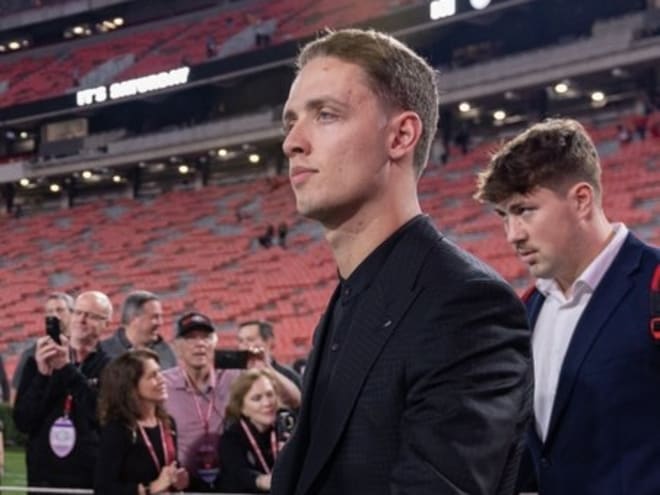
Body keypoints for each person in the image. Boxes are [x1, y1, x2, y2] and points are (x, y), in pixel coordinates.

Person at [273, 28, 532, 495]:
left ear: (401, 135)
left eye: (325, 115)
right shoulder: (351, 295)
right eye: (289, 122)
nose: (292, 141)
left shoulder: (468, 305)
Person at [475, 117, 660, 495]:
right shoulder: (525, 313)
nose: (513, 235)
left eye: (525, 210)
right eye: (503, 216)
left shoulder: (654, 287)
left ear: (581, 200)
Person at [14, 290, 112, 489]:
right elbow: (23, 421)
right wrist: (42, 375)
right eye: (78, 312)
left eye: (92, 316)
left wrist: (66, 369)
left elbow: (104, 416)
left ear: (106, 324)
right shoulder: (37, 361)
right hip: (43, 481)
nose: (82, 320)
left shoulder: (113, 368)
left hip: (89, 481)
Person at [163, 312, 240, 492]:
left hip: (230, 480)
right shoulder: (162, 384)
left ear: (215, 342)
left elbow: (293, 400)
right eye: (190, 338)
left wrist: (264, 367)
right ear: (175, 346)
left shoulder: (234, 378)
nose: (199, 343)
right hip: (184, 484)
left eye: (205, 337)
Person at [95, 349, 188, 495]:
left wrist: (178, 481)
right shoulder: (118, 429)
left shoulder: (167, 423)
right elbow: (104, 489)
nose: (162, 379)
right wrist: (149, 489)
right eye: (153, 375)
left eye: (160, 372)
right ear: (131, 386)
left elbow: (167, 472)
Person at [218, 369, 281, 493]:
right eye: (257, 398)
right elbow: (239, 473)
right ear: (242, 408)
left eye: (270, 394)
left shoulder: (287, 428)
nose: (267, 403)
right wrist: (261, 480)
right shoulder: (232, 438)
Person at [12, 292, 75, 402]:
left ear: (72, 314)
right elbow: (16, 397)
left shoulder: (81, 350)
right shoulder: (31, 354)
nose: (55, 315)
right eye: (50, 312)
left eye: (60, 310)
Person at [100, 290, 176, 369]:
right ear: (134, 319)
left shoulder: (164, 350)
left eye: (160, 316)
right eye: (155, 317)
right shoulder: (103, 353)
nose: (160, 322)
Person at [237, 320, 301, 409]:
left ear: (269, 341)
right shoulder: (234, 376)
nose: (244, 345)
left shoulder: (288, 375)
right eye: (240, 341)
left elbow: (297, 402)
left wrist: (267, 368)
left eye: (250, 340)